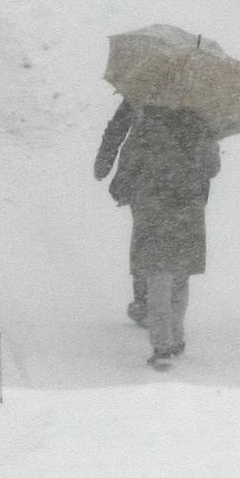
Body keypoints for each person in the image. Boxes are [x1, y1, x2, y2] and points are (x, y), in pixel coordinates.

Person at [94, 100, 220, 369]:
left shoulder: (147, 113)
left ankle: (162, 345)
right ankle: (176, 337)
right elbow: (212, 167)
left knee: (157, 272)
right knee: (180, 273)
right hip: (189, 205)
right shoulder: (200, 116)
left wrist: (116, 179)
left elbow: (130, 156)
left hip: (153, 203)